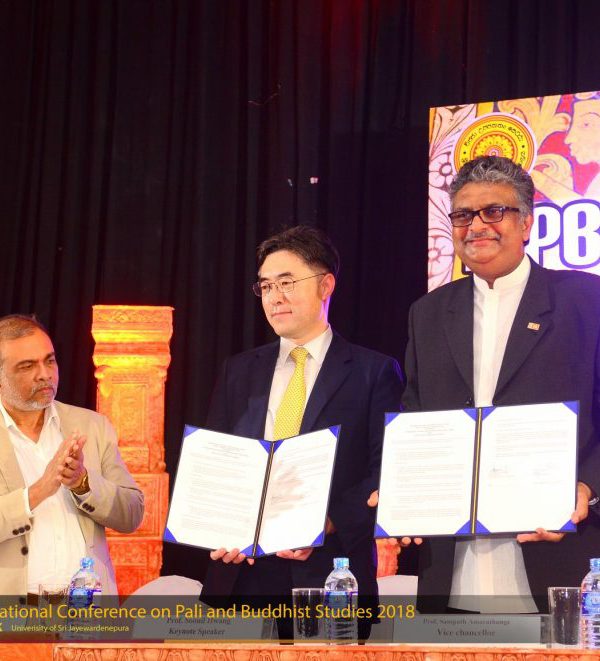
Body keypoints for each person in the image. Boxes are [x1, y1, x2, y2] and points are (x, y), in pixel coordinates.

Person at [399, 155, 600, 613]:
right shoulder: (427, 313)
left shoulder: (585, 300)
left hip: (558, 552)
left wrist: (587, 487)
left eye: (494, 211)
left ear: (526, 223)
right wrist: (400, 488)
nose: (476, 226)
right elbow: (415, 415)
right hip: (451, 563)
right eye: (463, 215)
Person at [201, 225, 404, 637]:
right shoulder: (239, 371)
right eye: (265, 286)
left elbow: (385, 472)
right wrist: (219, 525)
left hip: (331, 573)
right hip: (242, 575)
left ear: (325, 285)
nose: (274, 297)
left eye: (287, 282)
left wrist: (326, 523)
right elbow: (215, 462)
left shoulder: (373, 371)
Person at [0, 314, 144, 596]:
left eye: (50, 360)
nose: (44, 374)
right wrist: (38, 492)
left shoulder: (92, 426)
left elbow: (132, 514)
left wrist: (83, 484)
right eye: (27, 366)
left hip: (89, 610)